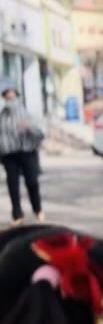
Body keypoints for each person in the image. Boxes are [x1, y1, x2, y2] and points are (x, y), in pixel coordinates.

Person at [0, 86, 45, 226]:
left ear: (18, 97)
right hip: (9, 154)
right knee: (13, 184)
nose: (10, 101)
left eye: (12, 98)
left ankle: (38, 210)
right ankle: (17, 214)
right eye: (7, 98)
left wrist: (28, 126)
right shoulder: (2, 116)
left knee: (32, 182)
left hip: (27, 151)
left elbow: (40, 133)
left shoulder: (27, 114)